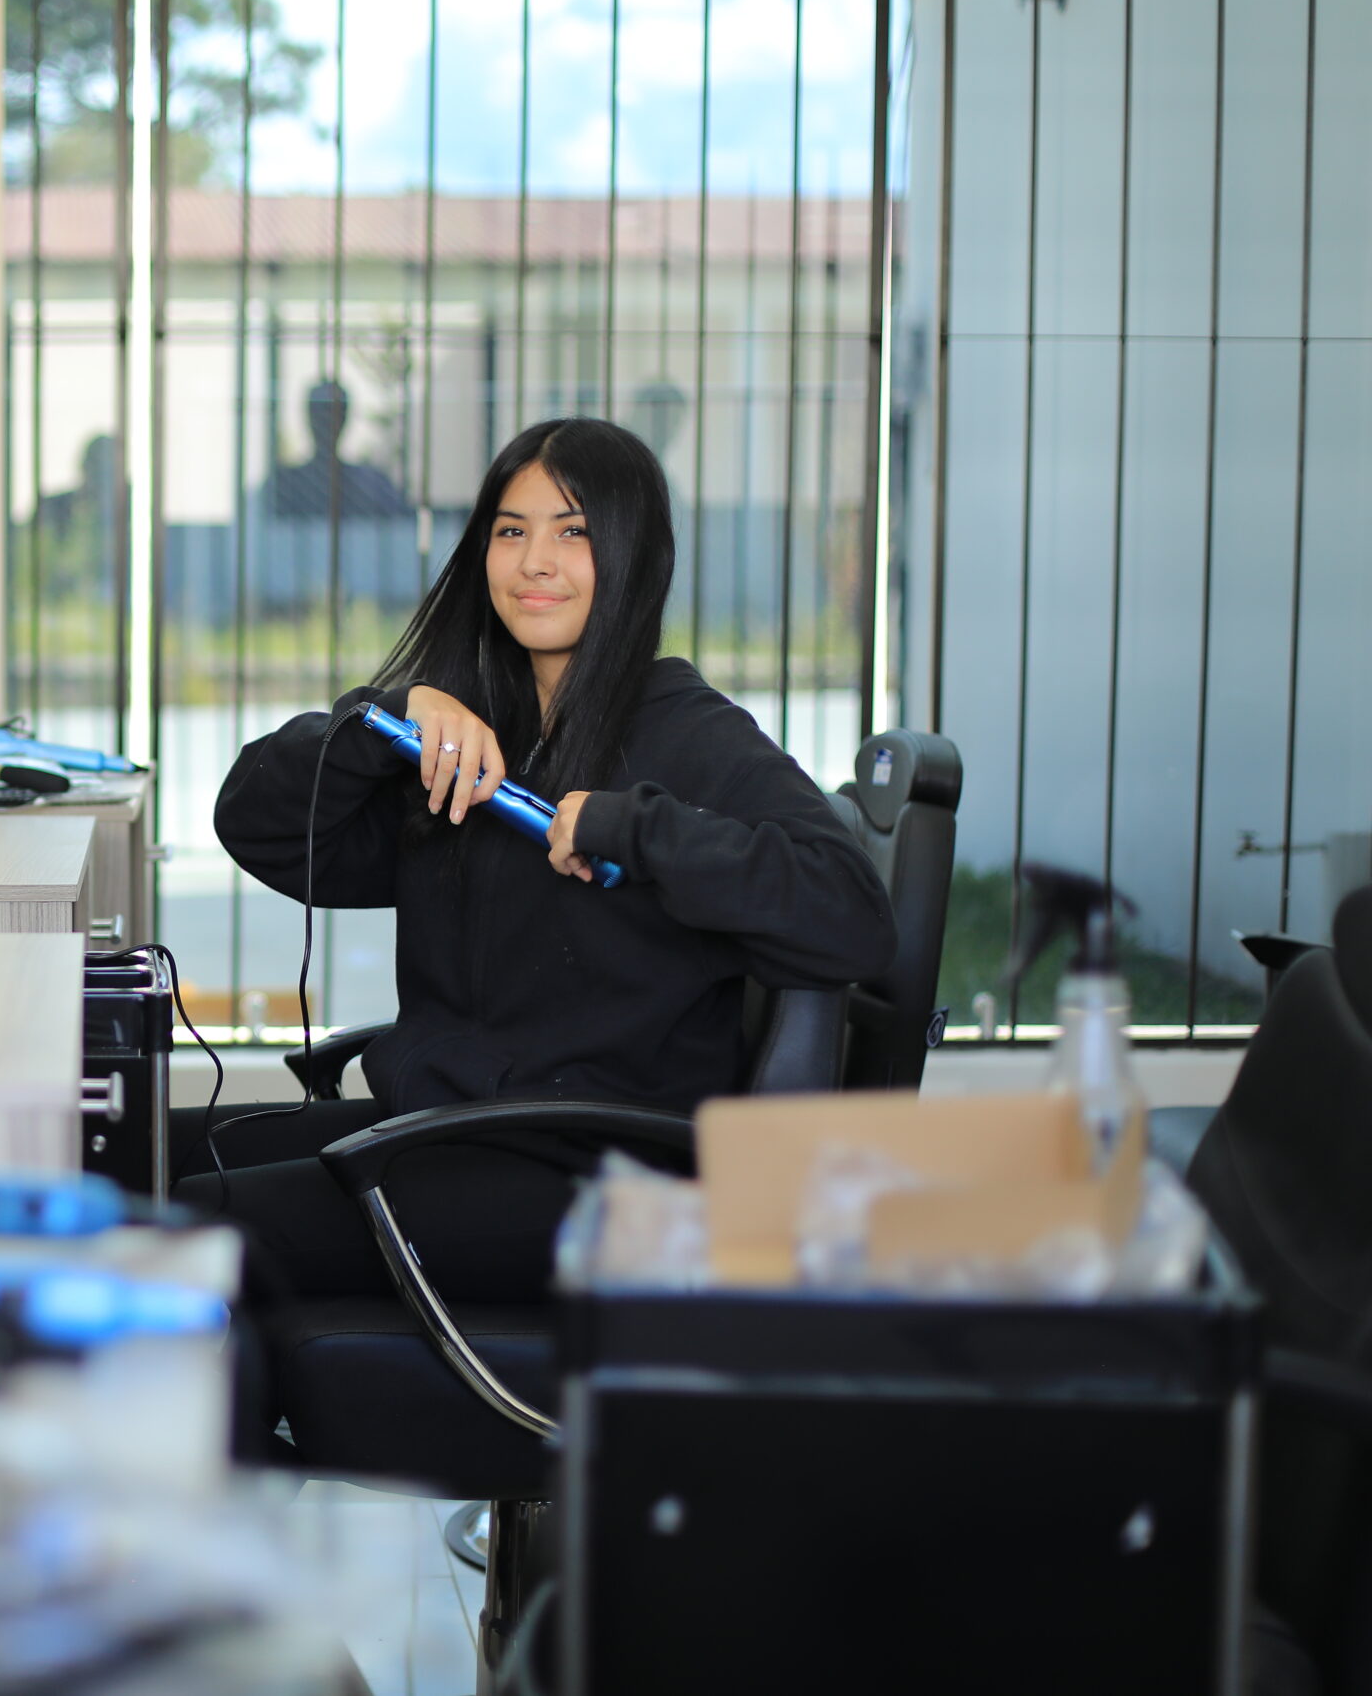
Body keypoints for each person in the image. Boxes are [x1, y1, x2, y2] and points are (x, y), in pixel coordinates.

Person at [179, 416, 895, 1305]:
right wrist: (386, 717)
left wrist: (633, 829)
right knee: (151, 1155)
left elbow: (855, 915)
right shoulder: (482, 738)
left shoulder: (686, 728)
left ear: (633, 556)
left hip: (593, 1172)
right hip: (463, 1129)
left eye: (574, 531)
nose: (535, 562)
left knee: (200, 1225)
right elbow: (256, 824)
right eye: (511, 531)